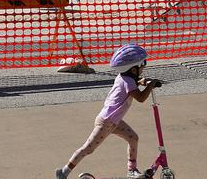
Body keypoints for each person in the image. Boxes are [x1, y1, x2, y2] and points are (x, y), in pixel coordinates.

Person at [55, 44, 160, 179]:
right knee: (88, 148)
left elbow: (130, 85)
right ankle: (63, 172)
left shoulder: (124, 78)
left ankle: (132, 170)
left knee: (133, 138)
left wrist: (141, 81)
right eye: (142, 65)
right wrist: (151, 84)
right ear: (133, 69)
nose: (144, 67)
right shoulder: (128, 82)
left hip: (113, 121)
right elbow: (140, 98)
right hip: (107, 121)